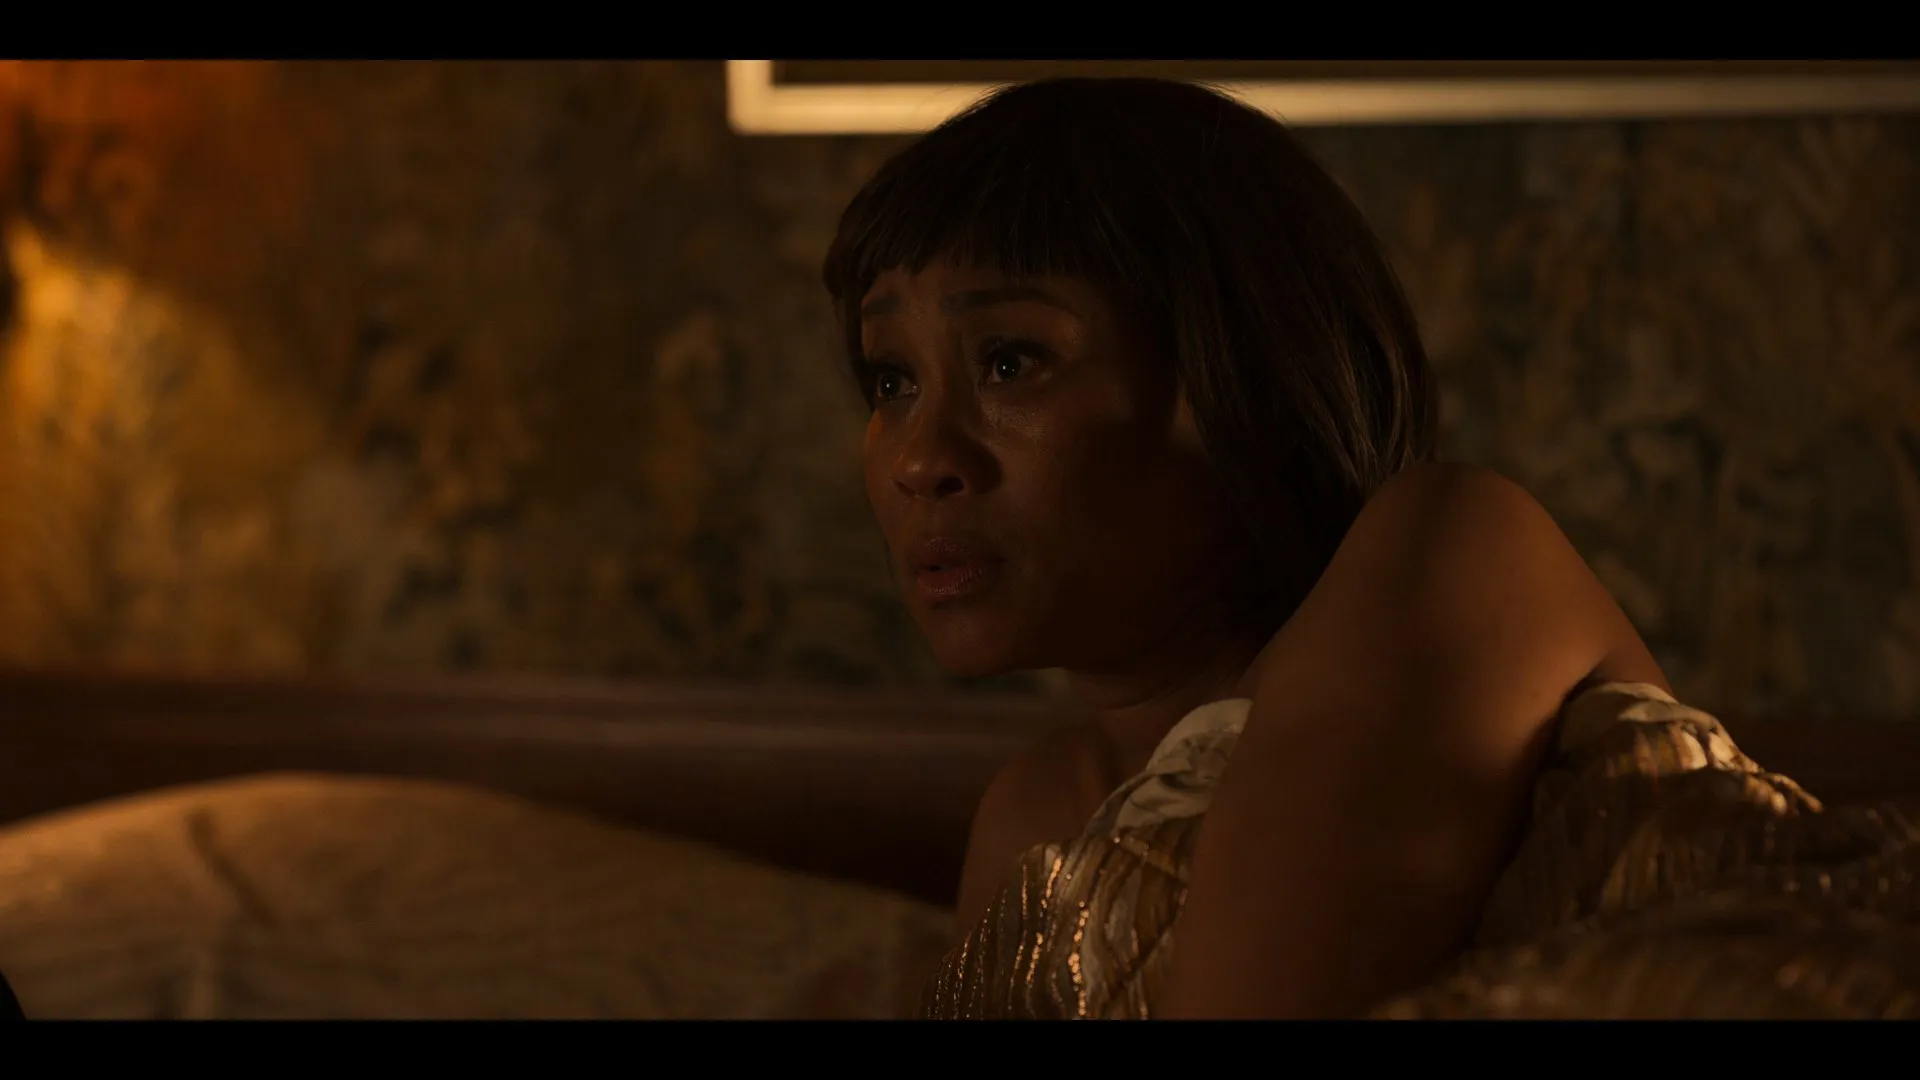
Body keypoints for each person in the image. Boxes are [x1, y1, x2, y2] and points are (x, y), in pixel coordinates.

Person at [821, 76, 1920, 1019]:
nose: (920, 458)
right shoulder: (1034, 817)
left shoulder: (1458, 549)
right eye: (891, 380)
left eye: (1010, 362)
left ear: (1235, 378)